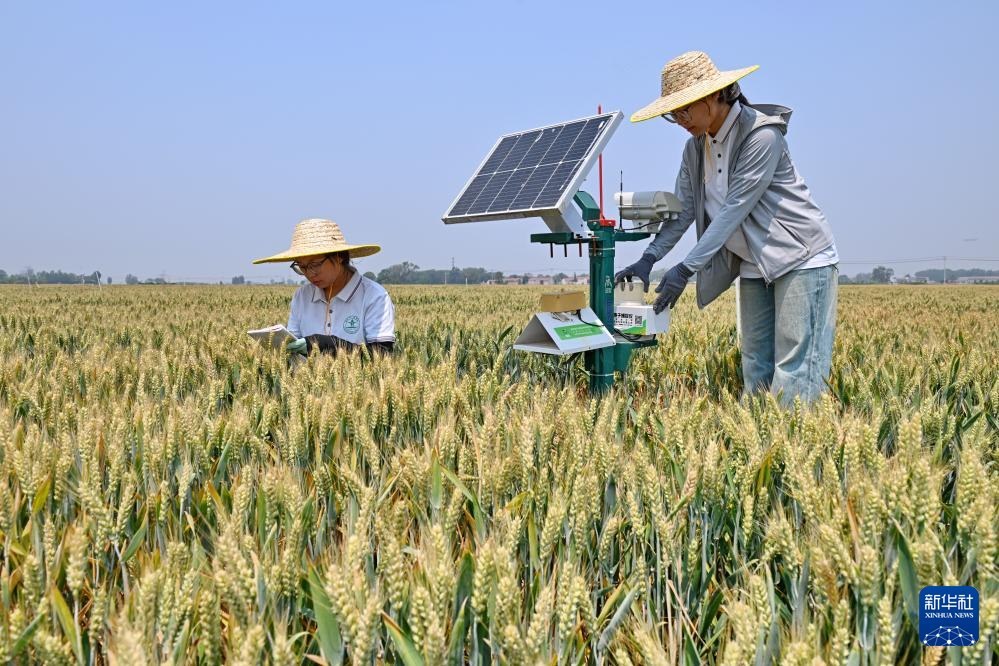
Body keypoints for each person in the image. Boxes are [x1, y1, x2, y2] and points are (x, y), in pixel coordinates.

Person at [616, 51, 838, 405]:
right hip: (751, 262)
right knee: (755, 364)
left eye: (685, 109)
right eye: (673, 113)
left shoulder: (762, 135)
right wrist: (648, 258)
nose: (680, 119)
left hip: (800, 258)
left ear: (716, 95)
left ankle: (792, 439)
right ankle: (758, 437)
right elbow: (683, 212)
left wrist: (686, 269)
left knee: (795, 369)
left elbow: (734, 210)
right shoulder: (694, 149)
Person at [253, 218, 395, 356]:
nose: (310, 273)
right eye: (302, 267)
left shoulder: (374, 296)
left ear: (339, 256)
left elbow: (382, 354)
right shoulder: (302, 296)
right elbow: (292, 347)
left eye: (315, 264)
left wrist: (328, 344)